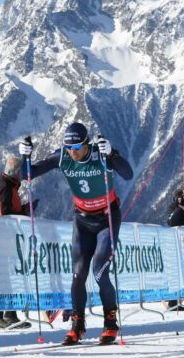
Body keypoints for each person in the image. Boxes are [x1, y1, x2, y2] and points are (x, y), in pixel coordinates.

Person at [19, 122, 133, 346]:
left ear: (87, 143)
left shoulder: (100, 155)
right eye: (69, 147)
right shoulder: (63, 157)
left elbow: (127, 174)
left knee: (100, 272)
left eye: (77, 147)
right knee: (78, 275)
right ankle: (77, 326)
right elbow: (27, 174)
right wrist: (25, 156)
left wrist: (113, 154)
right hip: (82, 220)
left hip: (106, 218)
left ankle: (110, 323)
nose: (73, 151)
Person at [0, 154, 32, 331]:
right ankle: (2, 315)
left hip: (3, 236)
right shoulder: (6, 187)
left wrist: (23, 209)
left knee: (5, 277)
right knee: (5, 277)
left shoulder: (6, 185)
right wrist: (22, 213)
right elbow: (6, 213)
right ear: (15, 173)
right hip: (3, 237)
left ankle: (6, 314)